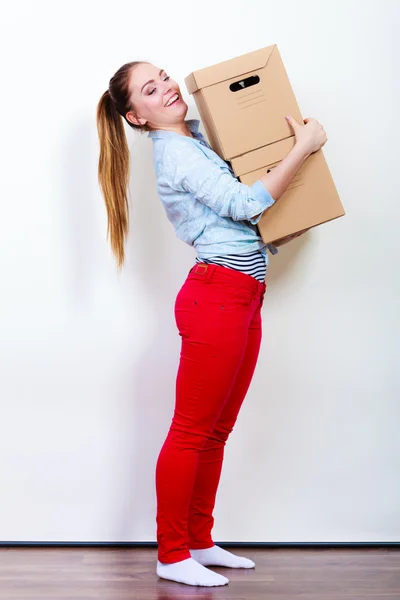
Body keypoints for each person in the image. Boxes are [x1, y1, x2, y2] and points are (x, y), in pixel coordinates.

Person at [96, 61, 327, 587]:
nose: (167, 87)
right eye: (149, 90)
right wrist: (304, 145)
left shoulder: (197, 141)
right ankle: (172, 552)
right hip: (217, 300)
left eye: (163, 75)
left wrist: (277, 234)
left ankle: (199, 540)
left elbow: (233, 221)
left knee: (215, 431)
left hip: (242, 295)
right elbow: (244, 204)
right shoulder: (176, 152)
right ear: (136, 117)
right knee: (192, 431)